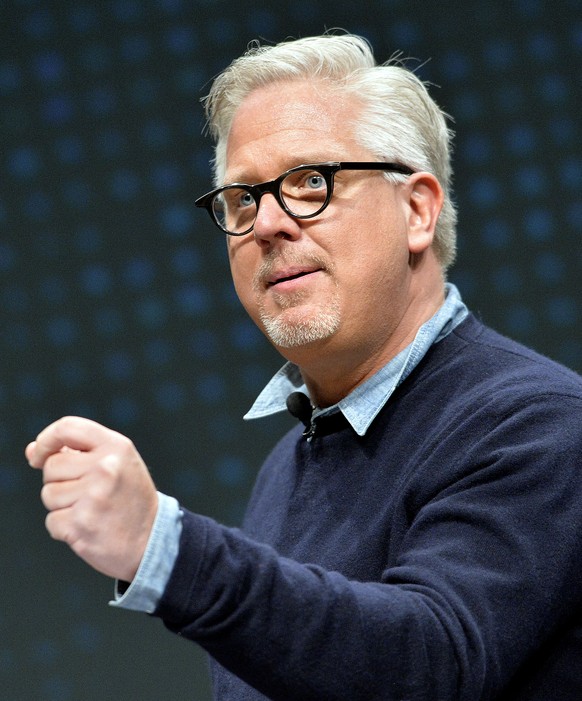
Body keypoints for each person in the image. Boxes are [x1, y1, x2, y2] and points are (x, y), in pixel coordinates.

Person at [26, 32, 582, 701]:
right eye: (241, 199)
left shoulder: (539, 422)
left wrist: (165, 547)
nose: (266, 224)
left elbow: (429, 663)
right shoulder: (286, 468)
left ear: (417, 210)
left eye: (310, 181)